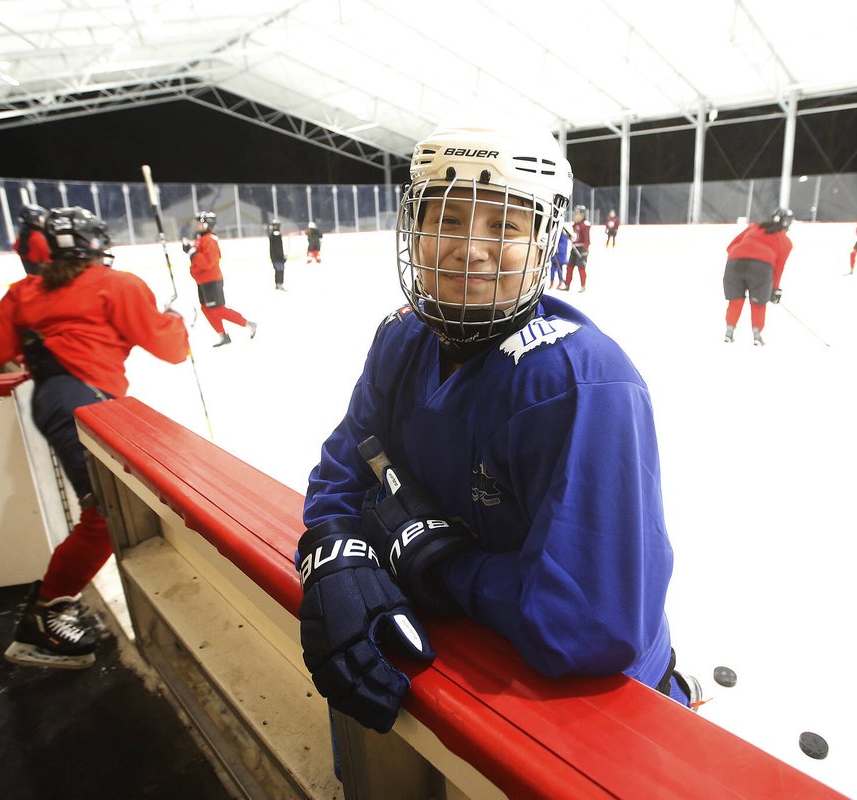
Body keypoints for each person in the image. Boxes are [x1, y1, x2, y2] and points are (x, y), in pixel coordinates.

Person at [296, 120, 695, 735]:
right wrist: (334, 549)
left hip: (595, 709)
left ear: (543, 242)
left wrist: (443, 563)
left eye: (504, 225)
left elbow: (589, 624)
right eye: (447, 220)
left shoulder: (579, 381)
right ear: (416, 228)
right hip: (463, 653)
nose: (469, 247)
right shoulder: (401, 337)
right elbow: (344, 466)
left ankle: (677, 688)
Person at [0, 206, 190, 669]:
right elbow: (172, 349)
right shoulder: (116, 285)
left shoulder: (25, 292)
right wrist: (177, 317)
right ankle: (44, 616)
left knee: (109, 508)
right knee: (105, 514)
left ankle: (51, 604)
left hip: (54, 401)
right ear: (97, 246)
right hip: (87, 405)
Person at [184, 211, 258, 347]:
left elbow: (208, 262)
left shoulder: (210, 240)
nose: (197, 226)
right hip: (202, 281)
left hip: (211, 280)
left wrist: (192, 252)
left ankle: (248, 324)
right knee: (206, 309)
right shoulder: (201, 240)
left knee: (218, 310)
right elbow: (197, 261)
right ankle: (222, 335)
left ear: (207, 225)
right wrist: (191, 252)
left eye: (199, 223)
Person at [723, 208, 793, 347]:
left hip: (735, 264)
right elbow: (778, 268)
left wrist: (740, 256)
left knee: (735, 300)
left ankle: (729, 332)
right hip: (762, 268)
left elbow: (730, 246)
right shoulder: (785, 242)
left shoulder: (753, 227)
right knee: (758, 303)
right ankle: (757, 335)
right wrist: (774, 289)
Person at [13, 203, 49, 275]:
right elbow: (49, 260)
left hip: (32, 278)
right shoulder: (38, 238)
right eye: (40, 218)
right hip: (46, 278)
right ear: (34, 219)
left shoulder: (21, 239)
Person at [561, 204, 590, 291]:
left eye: (577, 214)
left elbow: (587, 240)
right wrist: (569, 236)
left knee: (581, 268)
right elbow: (575, 237)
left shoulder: (585, 225)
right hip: (574, 249)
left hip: (581, 249)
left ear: (582, 215)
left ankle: (583, 286)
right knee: (569, 267)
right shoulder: (574, 225)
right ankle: (567, 285)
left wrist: (585, 250)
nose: (575, 215)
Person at [547, 223, 570, 289]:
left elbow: (563, 246)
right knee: (552, 270)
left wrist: (557, 249)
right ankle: (552, 282)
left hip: (560, 256)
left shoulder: (563, 235)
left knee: (560, 270)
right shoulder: (555, 234)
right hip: (554, 256)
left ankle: (560, 282)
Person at [269, 219, 288, 290]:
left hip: (276, 257)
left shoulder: (273, 235)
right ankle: (279, 283)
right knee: (279, 271)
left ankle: (278, 283)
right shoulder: (275, 235)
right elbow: (278, 249)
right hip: (277, 257)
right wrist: (282, 257)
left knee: (279, 271)